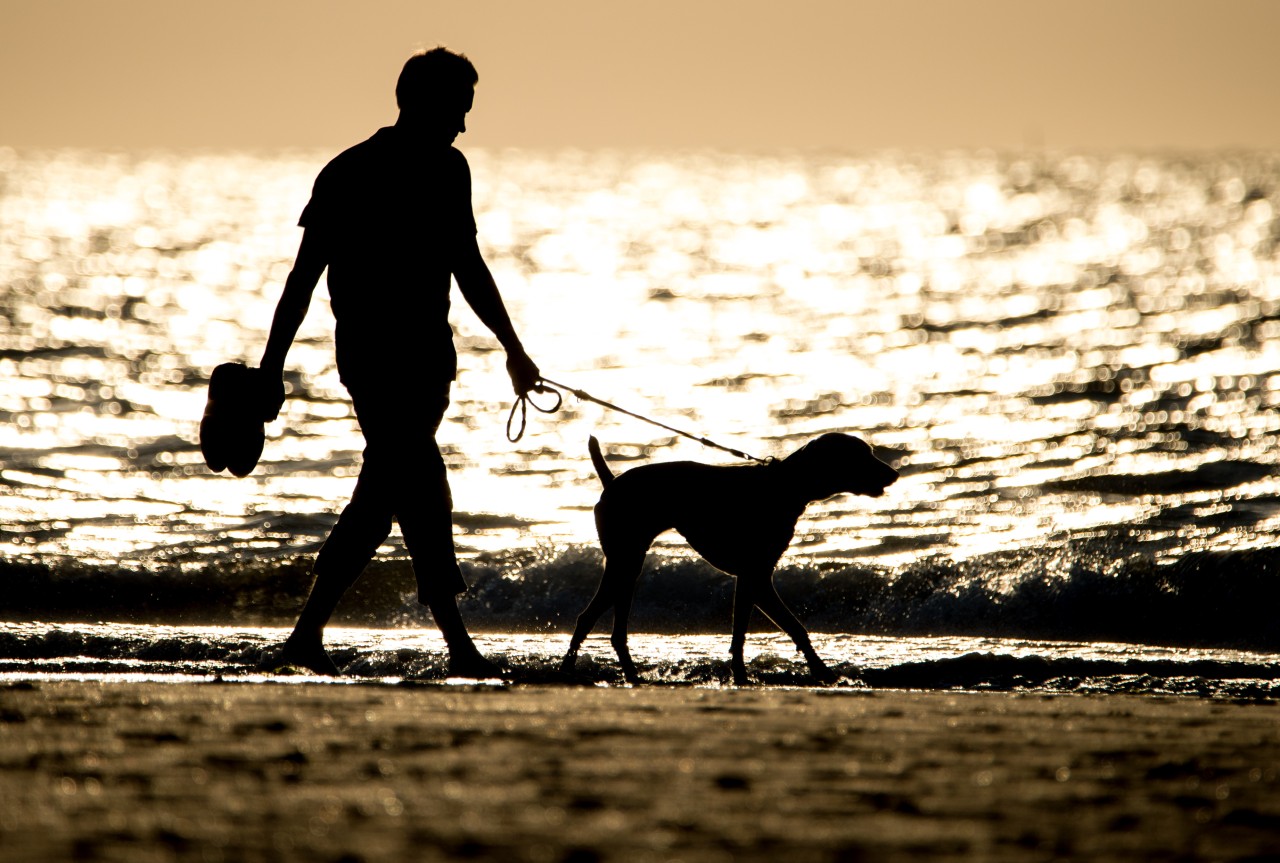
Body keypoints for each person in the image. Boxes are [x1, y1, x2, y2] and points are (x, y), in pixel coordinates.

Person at [258, 47, 540, 677]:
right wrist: (270, 369)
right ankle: (458, 646)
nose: (465, 124)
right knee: (416, 486)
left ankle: (307, 636)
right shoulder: (349, 173)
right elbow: (302, 279)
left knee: (391, 490)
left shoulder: (449, 170)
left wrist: (513, 348)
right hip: (373, 361)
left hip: (429, 364)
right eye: (459, 109)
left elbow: (468, 267)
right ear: (424, 101)